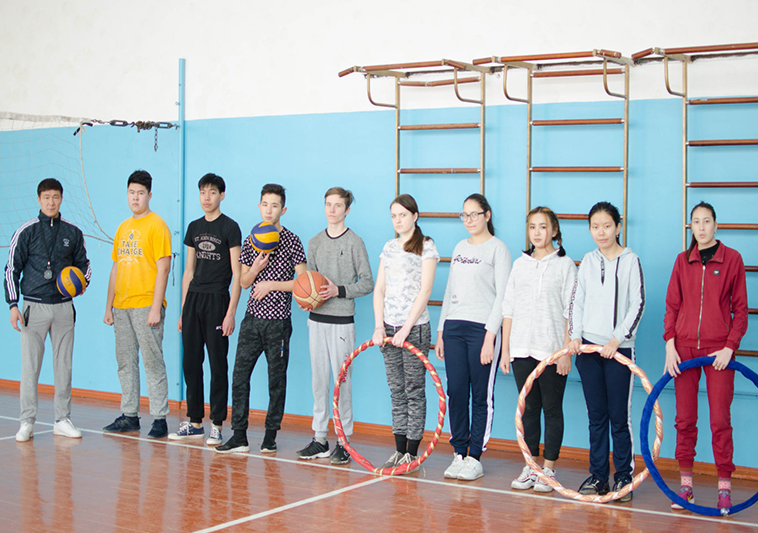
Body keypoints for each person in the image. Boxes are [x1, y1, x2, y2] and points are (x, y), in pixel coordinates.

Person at [663, 201, 747, 510]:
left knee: (720, 420)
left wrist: (730, 347)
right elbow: (672, 307)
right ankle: (686, 486)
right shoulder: (682, 260)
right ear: (691, 226)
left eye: (706, 221)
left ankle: (724, 486)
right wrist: (670, 345)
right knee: (684, 419)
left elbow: (741, 311)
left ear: (715, 225)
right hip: (684, 349)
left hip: (719, 352)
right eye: (696, 221)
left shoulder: (732, 259)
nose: (701, 227)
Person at [216, 183, 306, 454]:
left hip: (279, 323)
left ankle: (270, 436)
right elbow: (244, 282)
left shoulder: (292, 241)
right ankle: (239, 436)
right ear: (259, 206)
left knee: (276, 380)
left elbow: (304, 283)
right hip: (252, 321)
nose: (269, 210)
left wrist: (271, 285)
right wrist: (255, 268)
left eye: (274, 205)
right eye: (265, 204)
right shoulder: (251, 239)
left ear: (283, 210)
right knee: (239, 376)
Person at [567, 201, 644, 501]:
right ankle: (598, 475)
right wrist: (575, 336)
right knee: (596, 416)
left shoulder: (631, 260)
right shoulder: (587, 261)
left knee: (618, 417)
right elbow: (576, 301)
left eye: (607, 226)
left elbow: (638, 304)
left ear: (618, 227)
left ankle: (623, 475)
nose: (601, 232)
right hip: (589, 350)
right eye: (595, 227)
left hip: (619, 351)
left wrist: (616, 339)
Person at [4, 178, 91, 442]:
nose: (51, 202)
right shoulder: (26, 231)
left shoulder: (73, 232)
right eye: (46, 197)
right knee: (30, 367)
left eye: (55, 197)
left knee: (64, 365)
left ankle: (62, 419)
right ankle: (26, 422)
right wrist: (13, 305)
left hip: (64, 307)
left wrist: (82, 283)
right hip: (34, 307)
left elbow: (85, 266)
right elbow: (11, 269)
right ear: (39, 200)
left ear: (61, 199)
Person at [435, 193, 510, 481]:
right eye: (464, 215)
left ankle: (475, 455)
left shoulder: (498, 249)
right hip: (454, 327)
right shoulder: (459, 247)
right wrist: (441, 331)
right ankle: (459, 453)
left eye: (474, 214)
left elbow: (503, 297)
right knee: (456, 391)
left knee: (481, 395)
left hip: (482, 329)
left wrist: (491, 336)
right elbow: (450, 290)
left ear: (487, 215)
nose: (469, 220)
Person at [295, 187, 374, 464]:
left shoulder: (355, 242)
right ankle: (319, 439)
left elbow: (368, 283)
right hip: (316, 321)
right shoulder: (315, 242)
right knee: (319, 381)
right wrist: (306, 300)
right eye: (328, 204)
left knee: (342, 383)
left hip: (342, 322)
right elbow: (308, 283)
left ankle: (343, 441)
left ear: (347, 210)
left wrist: (338, 290)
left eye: (338, 205)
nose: (332, 209)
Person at [501, 206, 576, 492]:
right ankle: (531, 467)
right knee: (529, 409)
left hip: (552, 351)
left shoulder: (565, 265)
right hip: (521, 349)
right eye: (532, 227)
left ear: (554, 230)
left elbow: (571, 311)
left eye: (543, 227)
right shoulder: (520, 265)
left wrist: (566, 352)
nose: (537, 232)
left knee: (552, 409)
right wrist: (506, 350)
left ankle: (549, 470)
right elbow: (508, 308)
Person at [170, 173, 242, 446]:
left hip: (217, 300)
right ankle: (195, 422)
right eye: (203, 192)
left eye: (212, 192)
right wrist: (183, 309)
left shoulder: (230, 227)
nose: (207, 197)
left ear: (222, 195)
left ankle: (218, 425)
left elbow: (237, 273)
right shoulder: (194, 227)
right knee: (191, 363)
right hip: (194, 301)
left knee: (217, 364)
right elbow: (188, 271)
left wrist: (230, 313)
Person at [103, 170, 172, 439]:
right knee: (125, 362)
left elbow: (163, 268)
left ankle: (160, 418)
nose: (135, 197)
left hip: (146, 305)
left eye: (140, 193)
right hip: (121, 307)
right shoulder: (123, 227)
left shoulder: (157, 225)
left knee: (152, 362)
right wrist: (109, 307)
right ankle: (129, 415)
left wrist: (156, 308)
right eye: (131, 192)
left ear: (149, 195)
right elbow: (116, 268)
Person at [372, 194, 439, 472]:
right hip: (388, 329)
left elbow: (425, 290)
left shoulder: (426, 246)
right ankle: (399, 450)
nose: (398, 220)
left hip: (415, 329)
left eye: (403, 215)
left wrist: (407, 328)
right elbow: (379, 289)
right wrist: (379, 325)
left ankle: (412, 453)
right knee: (396, 390)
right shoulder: (389, 247)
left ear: (415, 216)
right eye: (394, 216)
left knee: (414, 390)